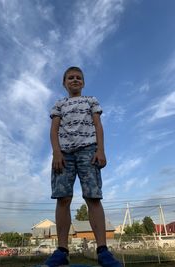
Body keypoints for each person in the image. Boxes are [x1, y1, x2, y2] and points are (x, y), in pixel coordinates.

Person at [44, 66, 122, 267]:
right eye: (71, 78)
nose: (75, 80)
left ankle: (103, 251)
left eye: (79, 77)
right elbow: (53, 130)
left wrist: (101, 150)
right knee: (63, 198)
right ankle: (62, 251)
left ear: (83, 83)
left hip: (89, 150)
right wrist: (57, 153)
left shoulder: (91, 101)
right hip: (64, 154)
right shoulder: (59, 104)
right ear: (64, 83)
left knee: (93, 197)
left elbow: (98, 126)